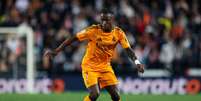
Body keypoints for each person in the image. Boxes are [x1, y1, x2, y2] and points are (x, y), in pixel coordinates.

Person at [44, 8, 144, 101]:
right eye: (102, 20)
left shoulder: (119, 33)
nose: (104, 23)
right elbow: (73, 38)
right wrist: (56, 50)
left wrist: (137, 62)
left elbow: (128, 50)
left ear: (112, 20)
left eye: (106, 20)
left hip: (105, 67)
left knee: (116, 96)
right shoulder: (93, 30)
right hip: (90, 66)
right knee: (95, 94)